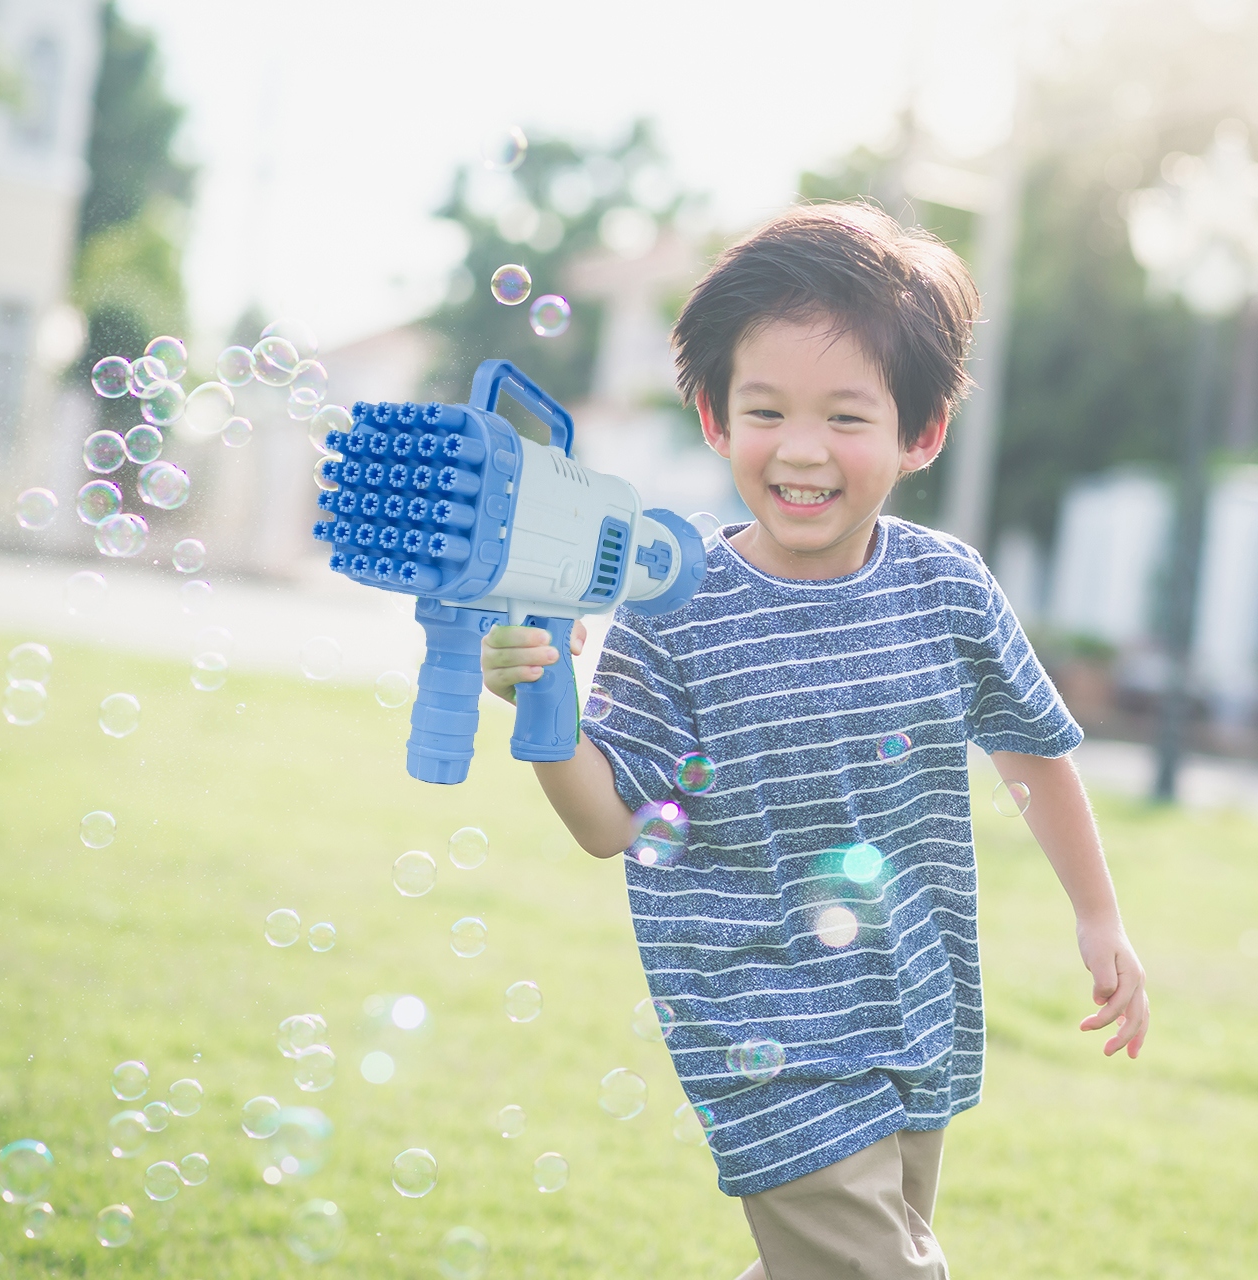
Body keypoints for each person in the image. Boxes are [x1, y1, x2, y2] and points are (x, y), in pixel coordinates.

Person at [481, 203, 1150, 1280]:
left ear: (918, 434)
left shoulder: (943, 588)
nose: (799, 449)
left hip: (908, 1009)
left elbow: (1030, 750)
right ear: (712, 415)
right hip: (760, 1030)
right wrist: (545, 705)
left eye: (846, 416)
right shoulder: (676, 606)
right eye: (765, 410)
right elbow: (609, 820)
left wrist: (1097, 913)